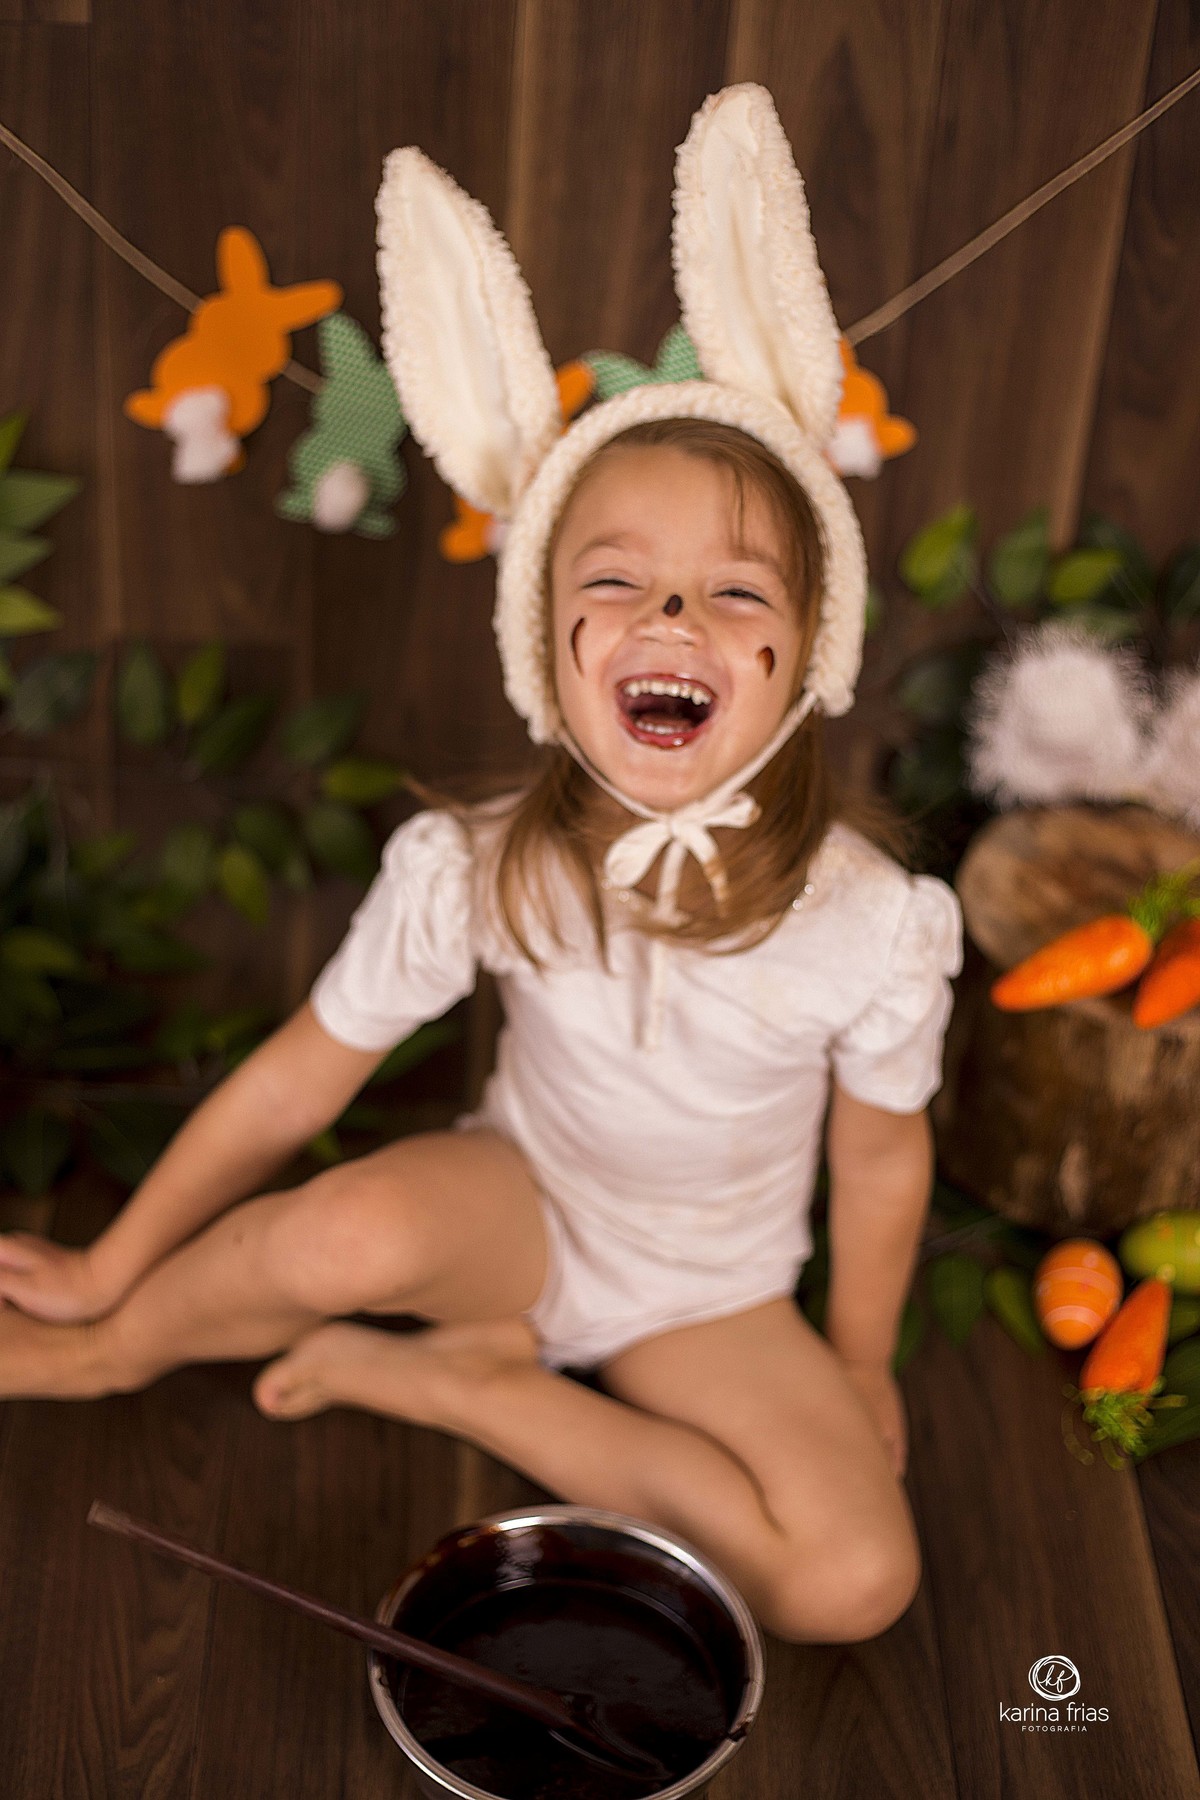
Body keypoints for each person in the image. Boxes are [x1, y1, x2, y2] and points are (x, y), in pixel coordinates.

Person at [0, 85, 962, 1646]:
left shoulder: (867, 923)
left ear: (804, 655)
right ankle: (120, 1353)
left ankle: (464, 1387)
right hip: (522, 1205)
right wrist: (113, 1269)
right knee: (337, 1235)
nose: (674, 622)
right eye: (621, 585)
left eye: (732, 589)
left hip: (711, 1292)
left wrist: (856, 1360)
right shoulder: (476, 865)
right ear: (548, 647)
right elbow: (294, 1085)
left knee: (857, 1582)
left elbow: (880, 1159)